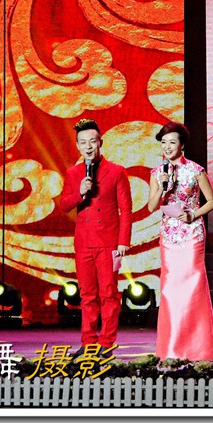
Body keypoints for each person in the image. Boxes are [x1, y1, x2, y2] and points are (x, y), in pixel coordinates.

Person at [58, 119, 132, 355]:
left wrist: (123, 241)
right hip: (84, 243)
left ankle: (106, 343)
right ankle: (88, 343)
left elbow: (126, 209)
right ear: (77, 146)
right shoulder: (73, 173)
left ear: (100, 142)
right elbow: (64, 205)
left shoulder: (117, 171)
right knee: (87, 295)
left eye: (92, 141)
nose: (88, 147)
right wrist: (80, 193)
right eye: (83, 143)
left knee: (109, 294)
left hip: (109, 242)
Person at [147, 121, 213, 360]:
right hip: (169, 236)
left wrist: (192, 215)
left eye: (172, 142)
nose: (167, 147)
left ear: (182, 145)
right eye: (164, 142)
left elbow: (212, 201)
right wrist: (162, 187)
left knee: (192, 289)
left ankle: (198, 348)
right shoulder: (157, 173)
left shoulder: (195, 170)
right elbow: (151, 206)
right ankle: (171, 348)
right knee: (170, 290)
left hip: (191, 234)